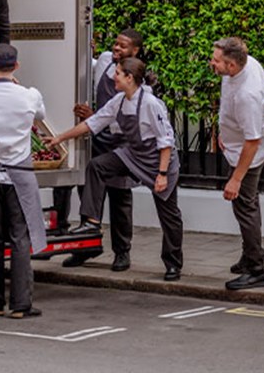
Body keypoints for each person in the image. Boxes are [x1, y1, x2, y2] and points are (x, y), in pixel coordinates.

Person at [47, 57, 183, 282]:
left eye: (118, 74)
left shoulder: (150, 103)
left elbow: (166, 141)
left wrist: (161, 174)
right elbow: (92, 124)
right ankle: (90, 221)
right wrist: (59, 138)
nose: (113, 77)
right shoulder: (119, 101)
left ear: (129, 78)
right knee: (97, 166)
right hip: (133, 155)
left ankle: (173, 264)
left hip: (159, 162)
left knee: (169, 216)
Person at [53, 29, 142, 271]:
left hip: (121, 143)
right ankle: (86, 247)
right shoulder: (104, 60)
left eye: (123, 46)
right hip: (98, 140)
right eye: (115, 43)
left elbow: (126, 118)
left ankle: (122, 252)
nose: (116, 48)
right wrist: (83, 48)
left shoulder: (137, 76)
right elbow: (88, 67)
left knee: (120, 197)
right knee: (89, 193)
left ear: (134, 51)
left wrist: (94, 117)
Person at [0, 43, 47, 319]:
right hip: (21, 177)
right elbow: (40, 115)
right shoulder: (30, 96)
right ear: (16, 66)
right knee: (19, 238)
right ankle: (20, 304)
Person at [210, 37, 264, 291]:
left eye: (216, 61)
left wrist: (236, 178)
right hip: (236, 145)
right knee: (248, 206)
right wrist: (222, 132)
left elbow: (252, 141)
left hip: (246, 154)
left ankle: (257, 269)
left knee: (244, 208)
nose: (211, 64)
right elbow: (228, 107)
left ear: (233, 66)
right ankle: (251, 253)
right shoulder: (245, 65)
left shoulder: (248, 94)